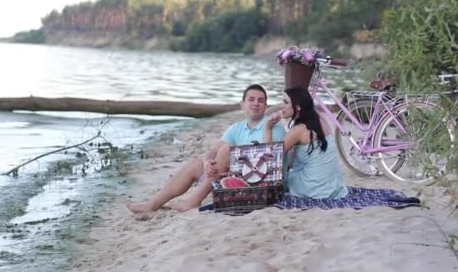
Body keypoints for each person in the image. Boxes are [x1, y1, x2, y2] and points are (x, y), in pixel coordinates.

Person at [126, 84, 287, 213]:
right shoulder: (237, 128)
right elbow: (213, 151)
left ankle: (193, 201)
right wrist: (207, 163)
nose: (256, 104)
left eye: (260, 100)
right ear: (242, 104)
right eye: (251, 99)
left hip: (257, 181)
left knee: (225, 151)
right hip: (227, 176)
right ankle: (153, 203)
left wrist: (230, 166)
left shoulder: (273, 127)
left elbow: (272, 163)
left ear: (265, 105)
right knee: (196, 163)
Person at [264, 86, 348, 199]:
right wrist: (285, 105)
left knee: (284, 178)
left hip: (313, 188)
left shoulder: (298, 130)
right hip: (333, 187)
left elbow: (270, 156)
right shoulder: (319, 119)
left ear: (298, 107)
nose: (281, 105)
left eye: (285, 102)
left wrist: (268, 128)